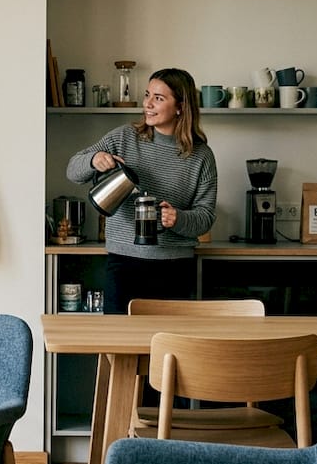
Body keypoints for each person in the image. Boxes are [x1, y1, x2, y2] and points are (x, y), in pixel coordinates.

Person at [66, 67, 217, 314]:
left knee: (169, 349)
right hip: (123, 264)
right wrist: (94, 159)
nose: (148, 104)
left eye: (158, 98)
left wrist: (179, 218)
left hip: (175, 267)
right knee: (119, 346)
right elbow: (72, 171)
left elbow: (206, 217)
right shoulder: (124, 137)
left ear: (181, 106)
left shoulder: (201, 156)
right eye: (147, 95)